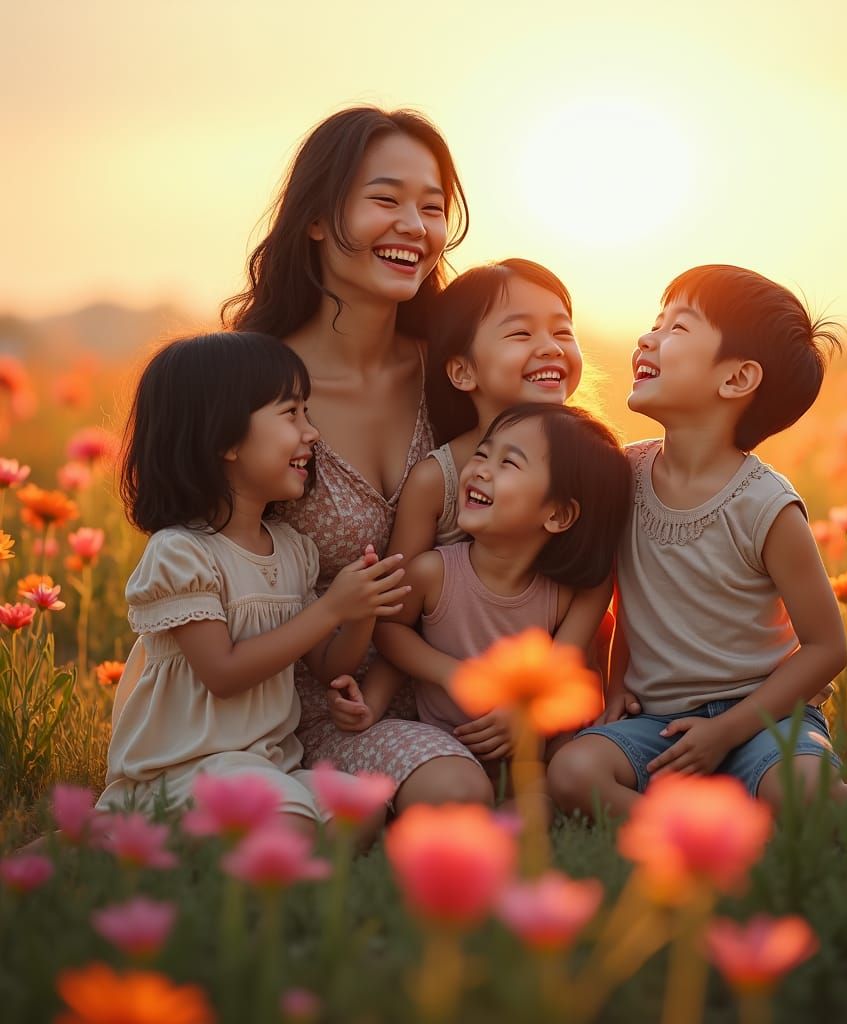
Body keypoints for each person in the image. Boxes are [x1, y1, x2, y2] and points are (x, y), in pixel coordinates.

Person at [222, 106, 493, 810]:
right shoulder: (251, 389)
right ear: (316, 219)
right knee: (457, 788)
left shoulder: (459, 374)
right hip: (311, 706)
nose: (415, 226)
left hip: (463, 685)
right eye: (385, 199)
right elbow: (206, 565)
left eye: (431, 208)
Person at [548, 264, 847, 820]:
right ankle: (700, 837)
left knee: (796, 790)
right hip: (659, 724)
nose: (647, 337)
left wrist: (726, 731)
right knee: (573, 772)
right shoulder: (623, 477)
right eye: (656, 321)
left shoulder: (765, 505)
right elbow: (622, 600)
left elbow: (827, 648)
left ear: (736, 380)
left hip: (763, 720)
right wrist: (613, 690)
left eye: (677, 327)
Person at [98, 332, 409, 834]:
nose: (313, 434)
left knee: (362, 808)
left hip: (269, 765)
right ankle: (124, 838)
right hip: (186, 771)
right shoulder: (182, 553)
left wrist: (361, 607)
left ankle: (280, 888)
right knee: (288, 822)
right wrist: (331, 609)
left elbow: (330, 663)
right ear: (223, 439)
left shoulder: (290, 549)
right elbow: (222, 672)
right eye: (291, 414)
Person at [331, 260, 615, 753]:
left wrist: (535, 700)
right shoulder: (437, 480)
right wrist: (453, 680)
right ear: (463, 371)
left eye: (562, 331)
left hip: (552, 696)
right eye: (521, 333)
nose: (549, 346)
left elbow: (597, 581)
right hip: (453, 706)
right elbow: (396, 617)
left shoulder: (586, 461)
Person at [374, 403, 631, 790]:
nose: (480, 468)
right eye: (482, 452)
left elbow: (561, 667)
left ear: (559, 515)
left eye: (509, 464)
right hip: (447, 743)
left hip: (536, 743)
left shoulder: (569, 593)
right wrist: (455, 674)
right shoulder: (434, 572)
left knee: (556, 776)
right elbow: (389, 630)